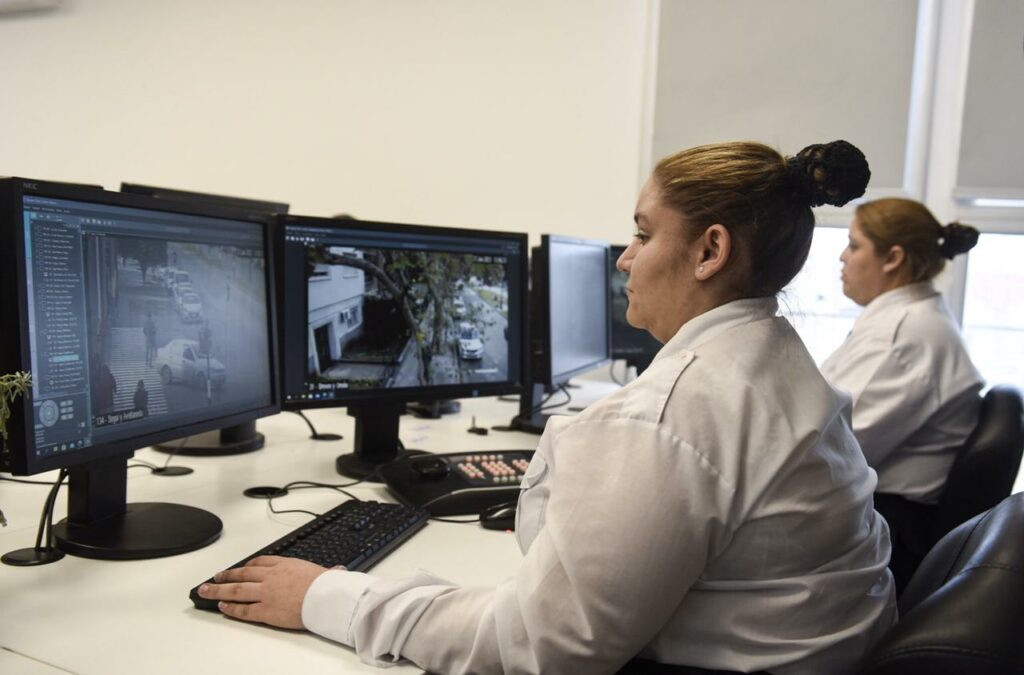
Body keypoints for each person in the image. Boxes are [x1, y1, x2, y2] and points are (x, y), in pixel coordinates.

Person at [199, 140, 896, 674]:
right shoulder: (778, 361)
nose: (625, 258)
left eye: (644, 234)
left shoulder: (674, 412)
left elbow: (537, 646)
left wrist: (326, 597)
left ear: (710, 250)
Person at [820, 198, 984, 591]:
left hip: (892, 533)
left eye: (854, 245)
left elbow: (831, 453)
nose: (843, 257)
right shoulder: (913, 319)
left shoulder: (903, 338)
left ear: (893, 258)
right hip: (887, 516)